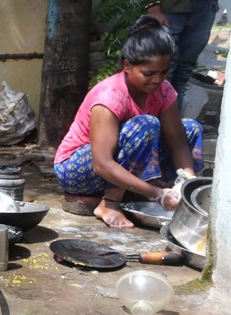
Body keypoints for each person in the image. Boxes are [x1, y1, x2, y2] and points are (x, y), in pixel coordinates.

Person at [54, 15, 204, 229]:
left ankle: (152, 190)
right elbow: (102, 164)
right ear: (127, 65)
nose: (157, 79)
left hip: (117, 165)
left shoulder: (164, 90)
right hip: (78, 170)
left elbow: (178, 143)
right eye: (148, 73)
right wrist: (156, 193)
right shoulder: (110, 96)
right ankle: (109, 204)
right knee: (145, 125)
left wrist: (186, 181)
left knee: (191, 128)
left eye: (164, 72)